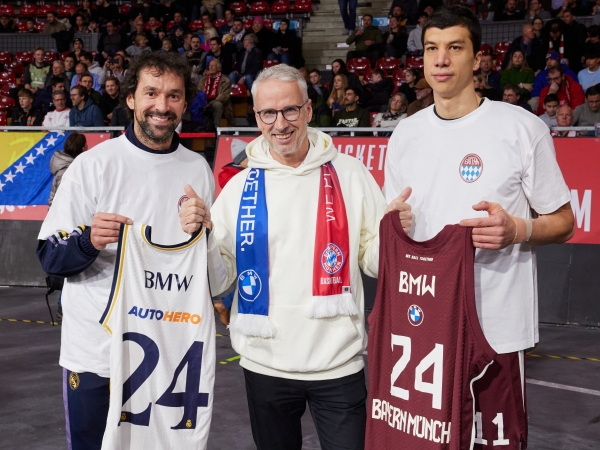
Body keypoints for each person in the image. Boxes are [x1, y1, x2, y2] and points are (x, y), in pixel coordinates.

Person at [179, 63, 398, 450]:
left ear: (308, 110)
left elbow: (373, 263)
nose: (280, 124)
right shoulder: (239, 187)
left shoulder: (351, 174)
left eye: (290, 110)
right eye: (268, 113)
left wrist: (395, 235)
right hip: (265, 365)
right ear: (257, 117)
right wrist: (204, 238)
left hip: (338, 364)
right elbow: (219, 281)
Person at [385, 7, 573, 450]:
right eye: (432, 48)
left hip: (496, 326)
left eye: (455, 47)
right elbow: (390, 226)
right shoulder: (405, 135)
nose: (441, 60)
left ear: (477, 58)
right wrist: (395, 222)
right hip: (425, 329)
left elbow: (564, 222)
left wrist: (518, 230)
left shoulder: (521, 128)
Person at [37, 51, 214, 450]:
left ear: (184, 103)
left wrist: (206, 232)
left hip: (168, 352)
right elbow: (49, 256)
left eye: (173, 95)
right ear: (131, 98)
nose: (162, 106)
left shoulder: (198, 170)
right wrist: (88, 240)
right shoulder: (93, 165)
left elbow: (206, 265)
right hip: (96, 353)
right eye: (151, 93)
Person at [48, 133, 87, 207]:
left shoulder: (72, 166)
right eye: (86, 145)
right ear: (83, 148)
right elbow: (64, 199)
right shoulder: (67, 171)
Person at [198, 59, 233, 128]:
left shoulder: (225, 80)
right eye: (209, 66)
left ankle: (216, 128)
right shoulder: (203, 80)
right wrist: (203, 102)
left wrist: (211, 103)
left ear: (219, 68)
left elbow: (224, 96)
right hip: (204, 102)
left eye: (213, 66)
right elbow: (198, 93)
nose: (210, 67)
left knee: (217, 104)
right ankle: (198, 127)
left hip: (217, 101)